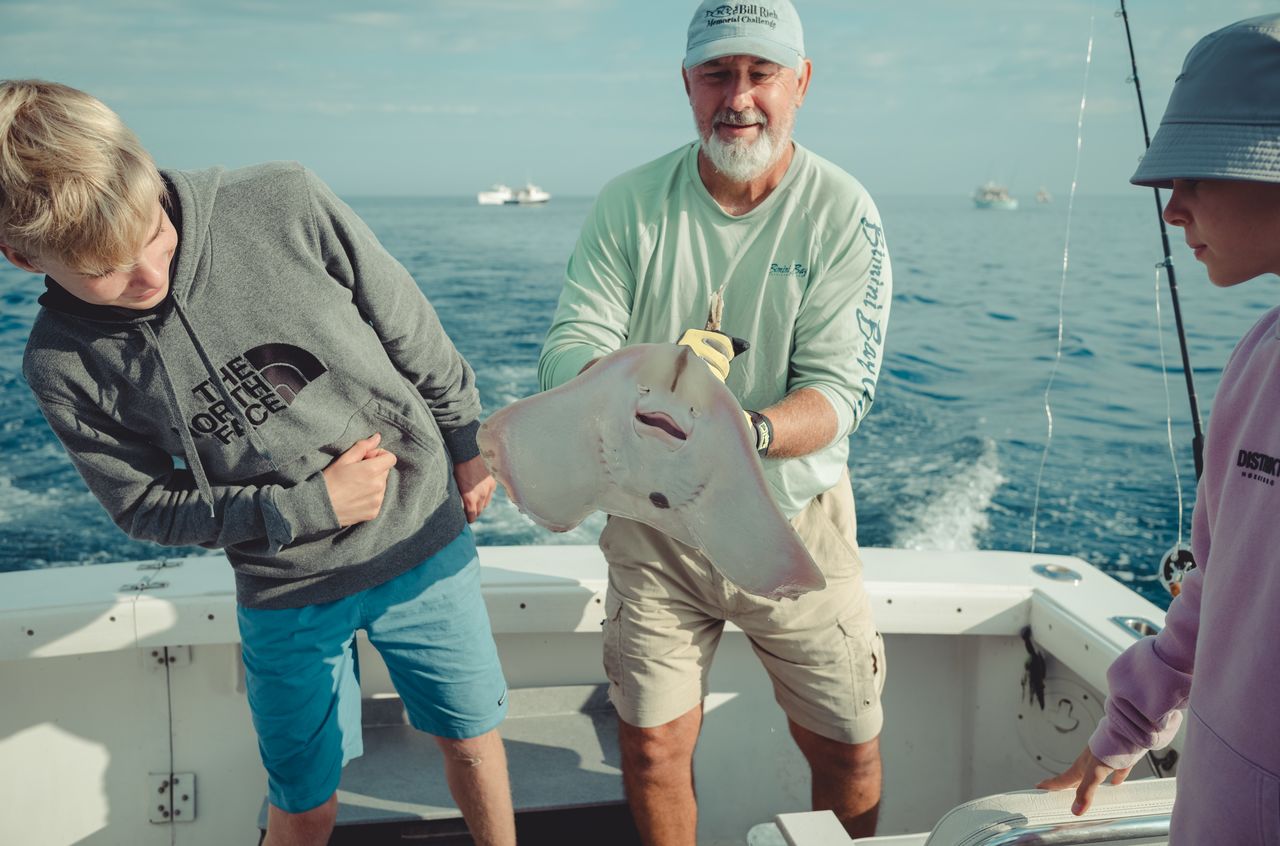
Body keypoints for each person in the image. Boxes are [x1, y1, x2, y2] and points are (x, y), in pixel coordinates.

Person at [0, 80, 516, 846]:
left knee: (472, 742)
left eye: (153, 233)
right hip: (285, 587)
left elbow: (408, 326)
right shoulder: (62, 363)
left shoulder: (284, 199)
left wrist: (465, 440)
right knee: (304, 800)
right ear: (19, 255)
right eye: (107, 270)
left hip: (418, 537)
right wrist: (302, 508)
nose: (148, 274)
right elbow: (141, 506)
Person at [537, 1, 893, 841]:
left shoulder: (844, 212)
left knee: (848, 750)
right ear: (687, 86)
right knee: (653, 748)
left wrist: (744, 434)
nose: (739, 96)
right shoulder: (630, 202)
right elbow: (569, 346)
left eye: (761, 73)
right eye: (717, 73)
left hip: (790, 523)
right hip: (652, 522)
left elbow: (842, 394)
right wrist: (614, 392)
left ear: (800, 82)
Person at [1037, 14, 1280, 843]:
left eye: (1198, 175)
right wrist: (1130, 726)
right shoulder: (1259, 353)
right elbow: (1219, 577)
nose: (1172, 210)